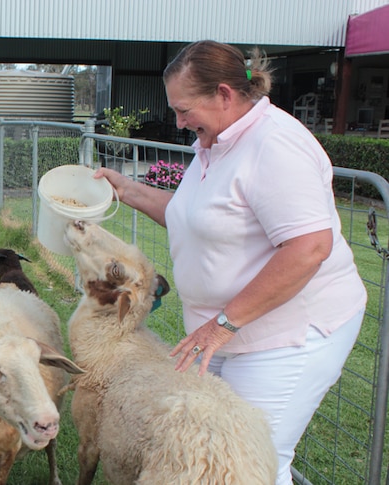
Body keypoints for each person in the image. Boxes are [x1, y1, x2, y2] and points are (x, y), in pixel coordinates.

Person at [93, 40, 367, 484]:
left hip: (284, 335)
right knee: (208, 448)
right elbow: (192, 217)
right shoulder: (217, 141)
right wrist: (125, 189)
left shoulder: (275, 145)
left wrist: (222, 324)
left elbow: (309, 248)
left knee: (250, 461)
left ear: (223, 94)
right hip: (224, 332)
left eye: (184, 110)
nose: (179, 122)